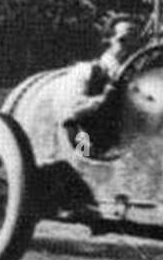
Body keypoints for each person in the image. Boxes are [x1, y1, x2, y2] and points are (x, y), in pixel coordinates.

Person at [60, 17, 143, 158]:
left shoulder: (139, 79)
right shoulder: (88, 71)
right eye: (123, 41)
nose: (129, 48)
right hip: (91, 154)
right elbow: (70, 113)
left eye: (135, 44)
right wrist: (102, 100)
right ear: (108, 41)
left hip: (129, 157)